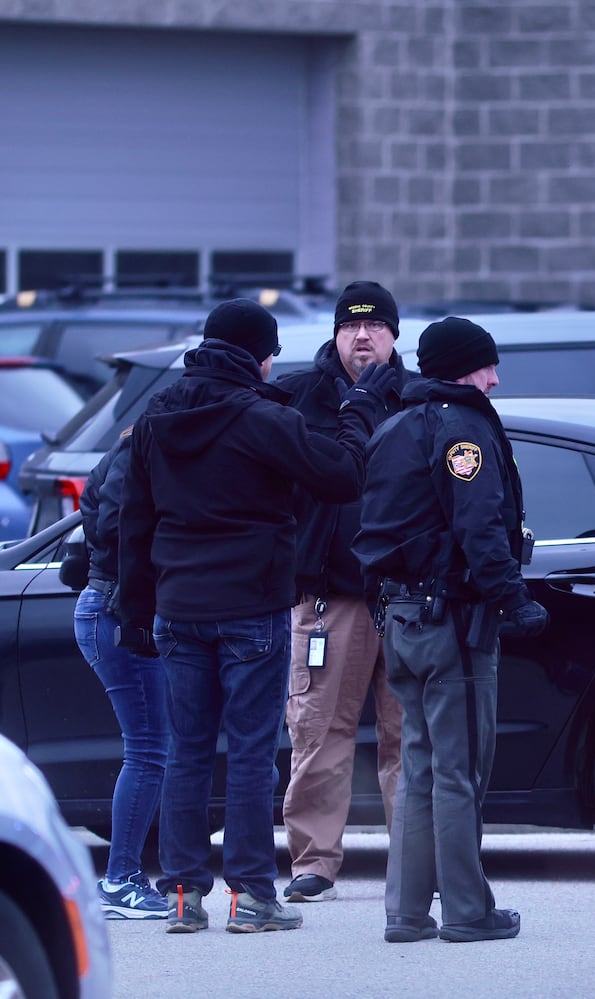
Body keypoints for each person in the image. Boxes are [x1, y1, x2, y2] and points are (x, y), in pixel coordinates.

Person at [118, 299, 394, 933]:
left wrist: (135, 610)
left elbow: (135, 519)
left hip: (178, 607)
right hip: (252, 606)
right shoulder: (262, 417)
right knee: (248, 753)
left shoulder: (158, 417)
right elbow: (343, 474)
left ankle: (185, 896)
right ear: (259, 357)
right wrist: (358, 410)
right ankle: (250, 896)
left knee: (186, 752)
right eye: (271, 356)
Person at [355, 317, 547, 943]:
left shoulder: (392, 429)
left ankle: (406, 913)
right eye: (487, 366)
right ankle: (468, 911)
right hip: (453, 623)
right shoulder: (463, 431)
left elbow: (370, 527)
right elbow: (480, 528)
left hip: (401, 619)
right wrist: (514, 601)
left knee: (418, 769)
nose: (495, 378)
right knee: (459, 772)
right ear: (464, 368)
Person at [276, 280, 409, 904]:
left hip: (409, 598)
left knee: (409, 737)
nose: (363, 335)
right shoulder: (298, 398)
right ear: (334, 333)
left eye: (375, 326)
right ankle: (314, 862)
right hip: (331, 596)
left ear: (393, 335)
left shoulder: (416, 398)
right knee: (319, 731)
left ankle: (416, 862)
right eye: (352, 325)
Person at [73, 431, 166, 918]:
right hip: (115, 613)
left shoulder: (126, 453)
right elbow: (115, 530)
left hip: (109, 608)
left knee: (154, 748)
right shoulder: (137, 457)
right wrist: (136, 603)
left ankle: (129, 876)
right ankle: (121, 879)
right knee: (149, 748)